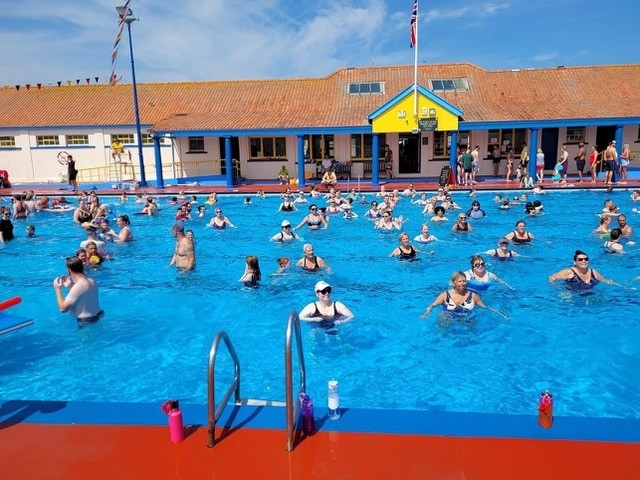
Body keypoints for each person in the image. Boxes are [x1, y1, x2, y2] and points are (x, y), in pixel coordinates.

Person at [52, 256, 103, 325]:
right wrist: (70, 286)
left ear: (68, 270)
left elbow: (63, 309)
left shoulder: (78, 287)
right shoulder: (91, 280)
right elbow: (82, 296)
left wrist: (57, 289)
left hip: (86, 322)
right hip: (98, 315)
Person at [421, 271, 494, 318]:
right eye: (459, 281)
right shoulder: (445, 295)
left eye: (464, 281)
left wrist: (499, 313)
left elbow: (485, 307)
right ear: (453, 283)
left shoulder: (473, 296)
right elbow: (432, 305)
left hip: (466, 319)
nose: (462, 283)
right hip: (448, 317)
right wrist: (426, 314)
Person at [549, 250, 618, 289]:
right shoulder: (569, 272)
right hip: (573, 295)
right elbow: (552, 277)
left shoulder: (593, 272)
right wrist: (561, 290)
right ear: (575, 262)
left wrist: (620, 286)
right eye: (580, 259)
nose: (584, 261)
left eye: (586, 259)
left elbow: (605, 280)